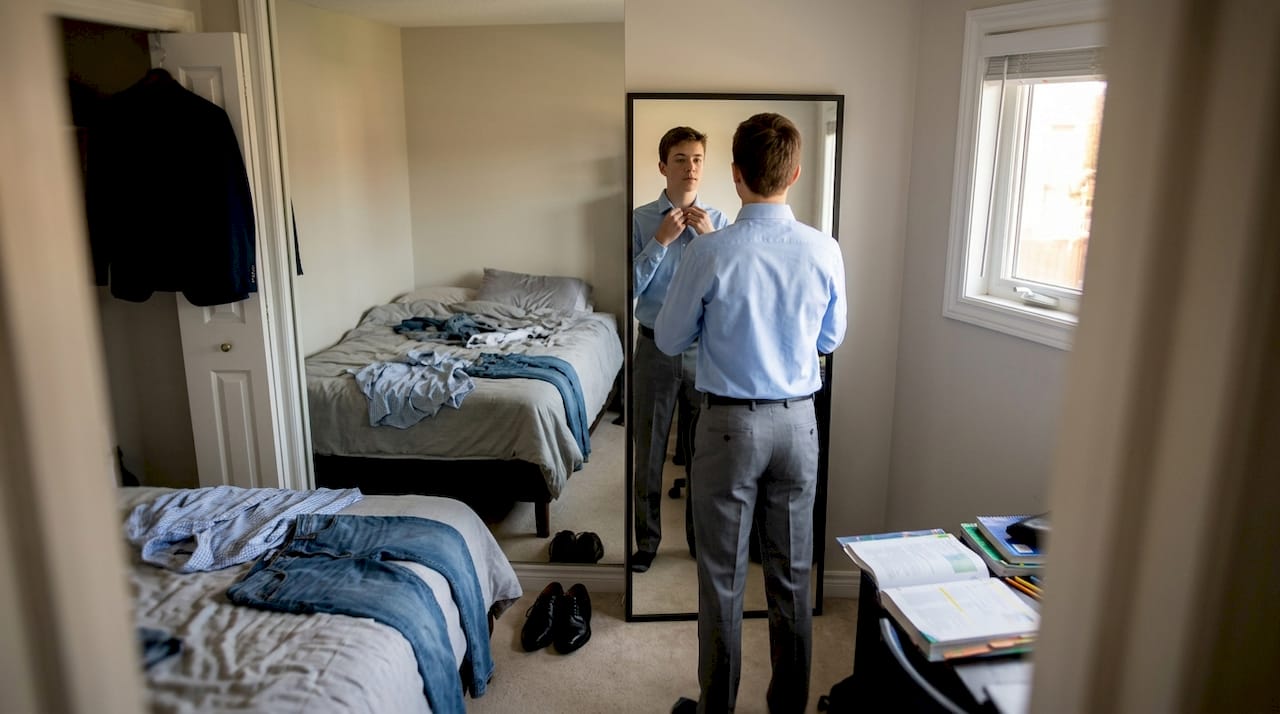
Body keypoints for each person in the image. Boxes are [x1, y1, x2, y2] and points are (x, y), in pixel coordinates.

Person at [655, 113, 846, 714]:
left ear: (735, 174)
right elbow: (831, 339)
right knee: (792, 576)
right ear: (795, 173)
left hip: (729, 428)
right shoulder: (825, 249)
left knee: (722, 578)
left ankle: (717, 709)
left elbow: (669, 338)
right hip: (797, 424)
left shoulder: (710, 251)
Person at [631, 126, 729, 573]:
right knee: (648, 453)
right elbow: (628, 287)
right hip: (653, 349)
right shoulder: (640, 221)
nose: (691, 167)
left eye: (697, 159)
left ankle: (696, 542)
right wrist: (660, 242)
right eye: (680, 159)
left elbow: (730, 292)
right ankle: (647, 543)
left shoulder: (720, 222)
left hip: (702, 352)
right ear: (662, 166)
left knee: (702, 456)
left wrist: (709, 242)